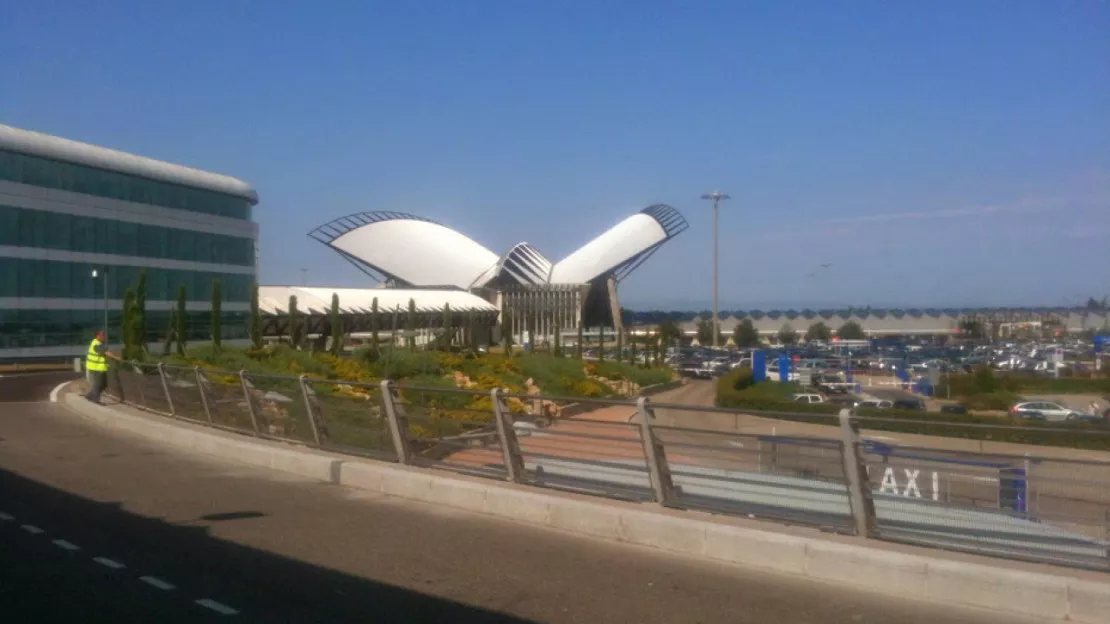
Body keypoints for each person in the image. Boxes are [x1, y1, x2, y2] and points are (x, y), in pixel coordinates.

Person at [84, 331, 115, 404]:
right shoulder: (97, 344)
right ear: (97, 336)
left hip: (98, 368)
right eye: (102, 335)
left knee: (104, 384)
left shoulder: (97, 343)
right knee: (99, 384)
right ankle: (96, 399)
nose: (104, 336)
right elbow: (106, 352)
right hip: (96, 368)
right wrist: (116, 358)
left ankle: (89, 396)